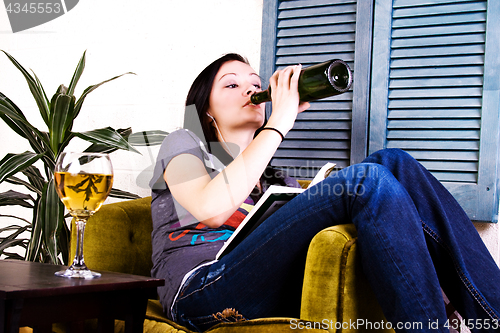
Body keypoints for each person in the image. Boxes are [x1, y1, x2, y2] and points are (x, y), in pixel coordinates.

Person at [150, 53, 500, 333]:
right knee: (367, 179)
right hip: (198, 290)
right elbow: (211, 209)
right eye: (231, 85)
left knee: (395, 162)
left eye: (255, 85)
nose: (248, 90)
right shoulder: (183, 142)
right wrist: (280, 122)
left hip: (266, 283)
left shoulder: (277, 180)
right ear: (206, 108)